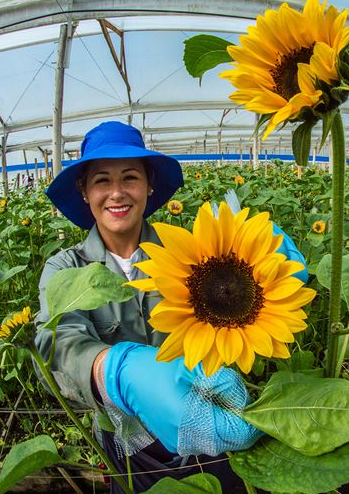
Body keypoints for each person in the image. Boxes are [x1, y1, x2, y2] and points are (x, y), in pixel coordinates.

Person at [35, 121, 308, 493]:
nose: (116, 193)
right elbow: (55, 343)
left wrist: (270, 275)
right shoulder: (66, 268)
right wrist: (116, 372)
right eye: (101, 181)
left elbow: (240, 326)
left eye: (129, 177)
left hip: (212, 421)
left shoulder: (187, 250)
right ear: (83, 191)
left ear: (148, 185)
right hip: (131, 448)